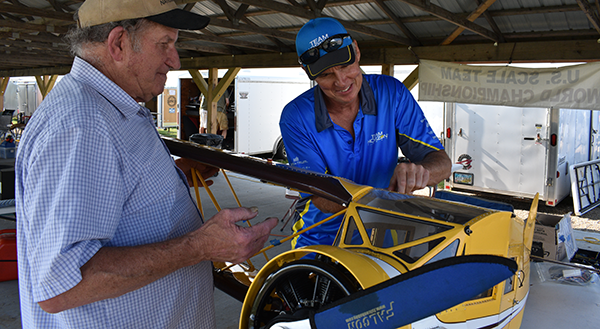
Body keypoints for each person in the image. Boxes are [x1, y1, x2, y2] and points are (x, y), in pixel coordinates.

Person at [14, 0, 278, 328]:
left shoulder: (111, 107)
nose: (174, 60)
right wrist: (201, 246)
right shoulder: (80, 124)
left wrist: (172, 175)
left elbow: (110, 187)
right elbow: (61, 285)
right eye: (165, 44)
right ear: (119, 43)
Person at [279, 17, 451, 249]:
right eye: (326, 74)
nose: (341, 81)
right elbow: (320, 198)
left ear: (356, 51)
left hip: (383, 238)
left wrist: (421, 173)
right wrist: (381, 194)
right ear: (308, 72)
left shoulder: (393, 94)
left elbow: (442, 163)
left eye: (344, 65)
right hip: (319, 239)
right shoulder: (296, 116)